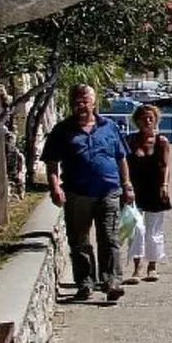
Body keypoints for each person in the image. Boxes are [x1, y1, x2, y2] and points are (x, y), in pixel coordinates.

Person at [42, 83, 133, 302]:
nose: (81, 105)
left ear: (94, 102)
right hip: (77, 193)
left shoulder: (109, 127)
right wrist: (54, 187)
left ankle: (111, 282)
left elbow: (121, 157)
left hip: (109, 191)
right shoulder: (62, 131)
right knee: (80, 240)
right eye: (76, 101)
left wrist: (127, 185)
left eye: (85, 100)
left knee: (109, 238)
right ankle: (85, 283)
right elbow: (51, 162)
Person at [126, 103, 172, 282]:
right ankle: (137, 267)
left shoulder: (161, 141)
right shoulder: (130, 141)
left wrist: (165, 185)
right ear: (137, 121)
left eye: (151, 118)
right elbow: (124, 164)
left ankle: (153, 266)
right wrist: (125, 185)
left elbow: (165, 165)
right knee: (136, 228)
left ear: (156, 120)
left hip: (155, 187)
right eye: (144, 118)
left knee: (153, 229)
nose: (147, 121)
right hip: (135, 188)